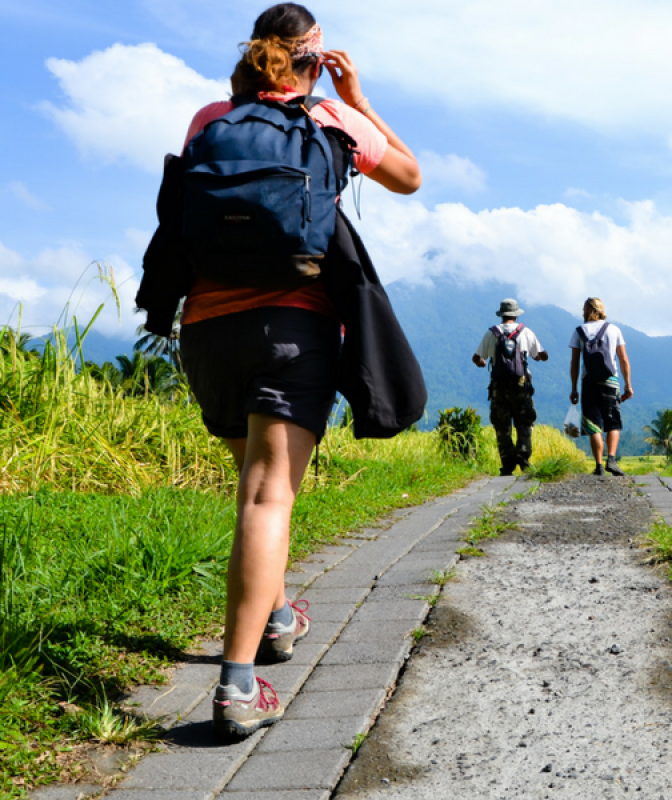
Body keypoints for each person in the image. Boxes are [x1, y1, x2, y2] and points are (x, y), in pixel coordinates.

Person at [174, 2, 421, 741]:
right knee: (267, 496)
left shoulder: (208, 117)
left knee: (250, 485)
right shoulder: (330, 121)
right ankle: (238, 683)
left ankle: (278, 615)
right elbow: (409, 177)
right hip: (293, 322)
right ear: (316, 59)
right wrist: (360, 103)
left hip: (206, 327)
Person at [472, 299, 549, 475]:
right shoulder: (525, 332)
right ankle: (522, 455)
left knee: (502, 425)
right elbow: (543, 354)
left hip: (498, 386)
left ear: (502, 314)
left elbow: (476, 358)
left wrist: (483, 362)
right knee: (524, 422)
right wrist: (538, 357)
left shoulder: (491, 333)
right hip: (521, 385)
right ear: (515, 314)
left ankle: (507, 463)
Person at [568, 298, 634, 476]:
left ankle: (598, 466)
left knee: (593, 424)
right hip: (610, 381)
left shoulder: (579, 331)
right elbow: (623, 359)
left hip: (588, 382)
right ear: (601, 310)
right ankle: (611, 460)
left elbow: (575, 362)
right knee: (613, 422)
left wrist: (574, 388)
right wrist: (628, 385)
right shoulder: (613, 330)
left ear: (587, 310)